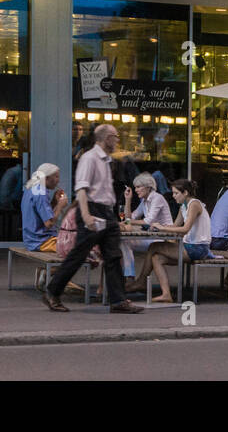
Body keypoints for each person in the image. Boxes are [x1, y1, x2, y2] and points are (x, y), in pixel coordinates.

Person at [43, 124, 143, 314]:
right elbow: (81, 189)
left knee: (113, 255)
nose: (117, 140)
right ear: (106, 138)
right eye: (115, 136)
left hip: (106, 211)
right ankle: (52, 291)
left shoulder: (106, 160)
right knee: (79, 254)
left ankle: (118, 300)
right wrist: (86, 214)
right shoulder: (89, 158)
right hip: (92, 209)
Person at [125, 179, 212, 303]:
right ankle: (166, 294)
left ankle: (141, 282)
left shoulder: (194, 204)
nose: (173, 196)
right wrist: (158, 226)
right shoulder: (184, 206)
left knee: (154, 246)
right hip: (189, 246)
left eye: (176, 193)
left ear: (185, 193)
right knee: (156, 258)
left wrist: (162, 227)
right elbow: (175, 226)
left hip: (198, 248)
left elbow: (184, 229)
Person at [122, 172, 173, 282]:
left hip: (164, 238)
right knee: (124, 241)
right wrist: (128, 200)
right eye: (135, 187)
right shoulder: (145, 201)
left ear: (148, 187)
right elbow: (131, 217)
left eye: (138, 187)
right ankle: (129, 276)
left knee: (125, 241)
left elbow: (148, 221)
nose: (136, 190)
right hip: (154, 237)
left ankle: (130, 278)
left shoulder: (157, 198)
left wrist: (127, 222)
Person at [21, 163, 69, 253]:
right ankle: (54, 268)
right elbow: (49, 223)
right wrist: (60, 206)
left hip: (31, 239)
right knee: (74, 247)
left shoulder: (32, 188)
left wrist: (54, 202)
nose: (58, 181)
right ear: (46, 178)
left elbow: (41, 214)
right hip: (41, 241)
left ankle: (51, 268)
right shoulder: (41, 194)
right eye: (56, 177)